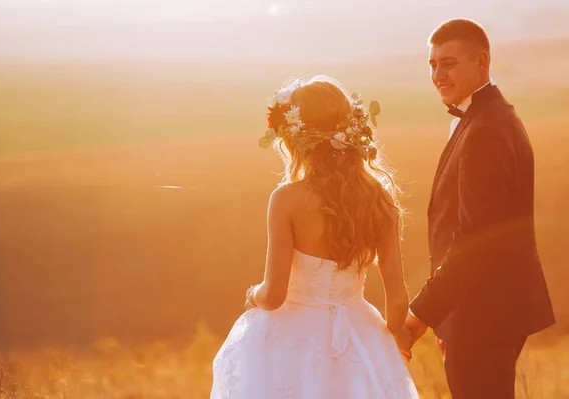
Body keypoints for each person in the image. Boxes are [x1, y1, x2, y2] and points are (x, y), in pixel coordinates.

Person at [210, 75, 419, 398]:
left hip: (292, 338)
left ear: (294, 136)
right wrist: (395, 343)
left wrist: (254, 294)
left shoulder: (287, 199)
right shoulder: (379, 198)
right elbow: (397, 297)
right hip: (358, 334)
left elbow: (274, 294)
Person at [405, 18, 556, 398]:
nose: (438, 74)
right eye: (433, 64)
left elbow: (475, 238)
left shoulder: (487, 128)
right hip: (476, 312)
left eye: (449, 63)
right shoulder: (487, 116)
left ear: (481, 62)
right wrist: (449, 322)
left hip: (484, 315)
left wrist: (424, 314)